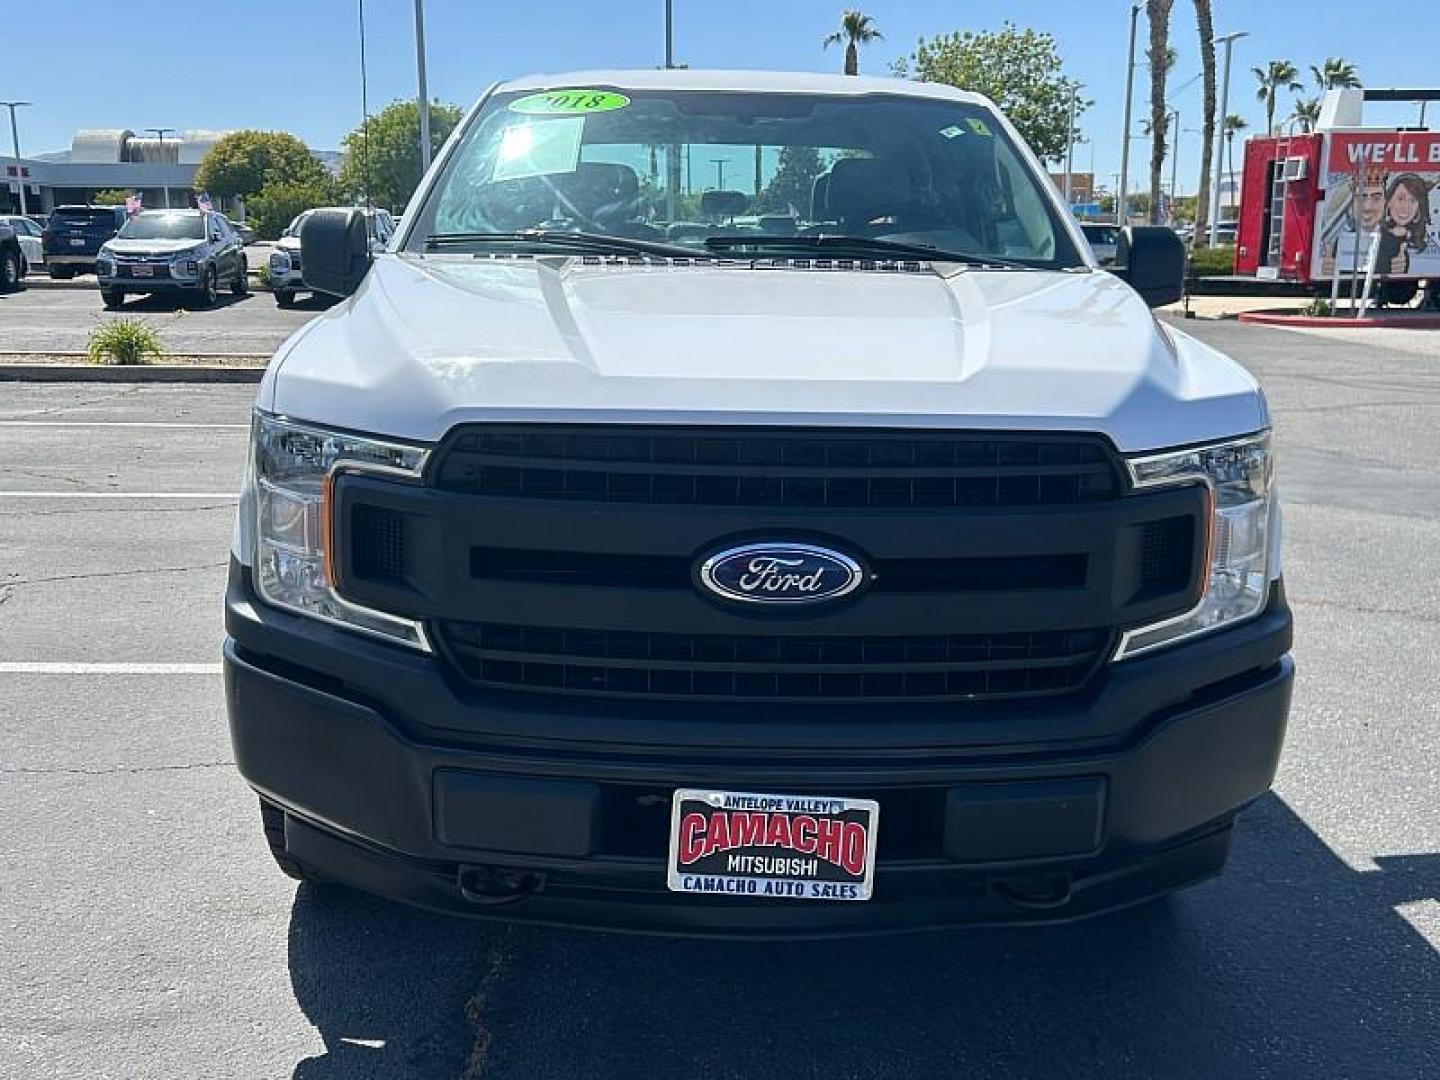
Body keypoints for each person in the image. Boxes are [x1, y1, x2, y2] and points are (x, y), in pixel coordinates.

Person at [1375, 173, 1432, 277]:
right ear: (1389, 202)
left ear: (1418, 208)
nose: (1406, 207)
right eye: (1400, 198)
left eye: (1413, 200)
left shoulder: (1420, 244)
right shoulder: (1374, 236)